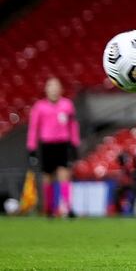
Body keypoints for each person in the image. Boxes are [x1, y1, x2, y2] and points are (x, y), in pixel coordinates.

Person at [26, 77, 80, 217]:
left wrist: (74, 144)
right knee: (47, 177)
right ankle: (49, 208)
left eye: (56, 86)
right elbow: (33, 128)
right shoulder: (39, 107)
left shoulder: (67, 105)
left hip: (63, 144)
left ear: (61, 89)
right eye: (51, 86)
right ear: (46, 89)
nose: (54, 89)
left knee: (64, 175)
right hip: (47, 145)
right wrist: (31, 148)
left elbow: (73, 125)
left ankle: (67, 208)